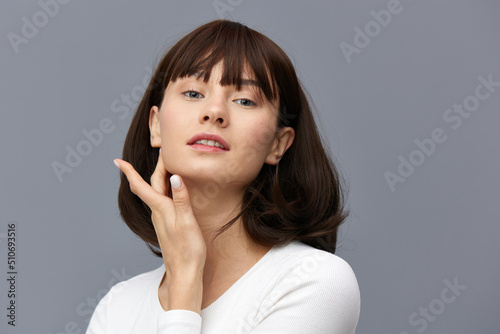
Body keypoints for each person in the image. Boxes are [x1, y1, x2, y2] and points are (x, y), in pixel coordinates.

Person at [86, 19, 360, 334]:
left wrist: (186, 281)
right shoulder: (117, 307)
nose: (214, 111)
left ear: (277, 144)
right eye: (192, 92)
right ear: (156, 126)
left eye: (244, 100)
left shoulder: (314, 281)